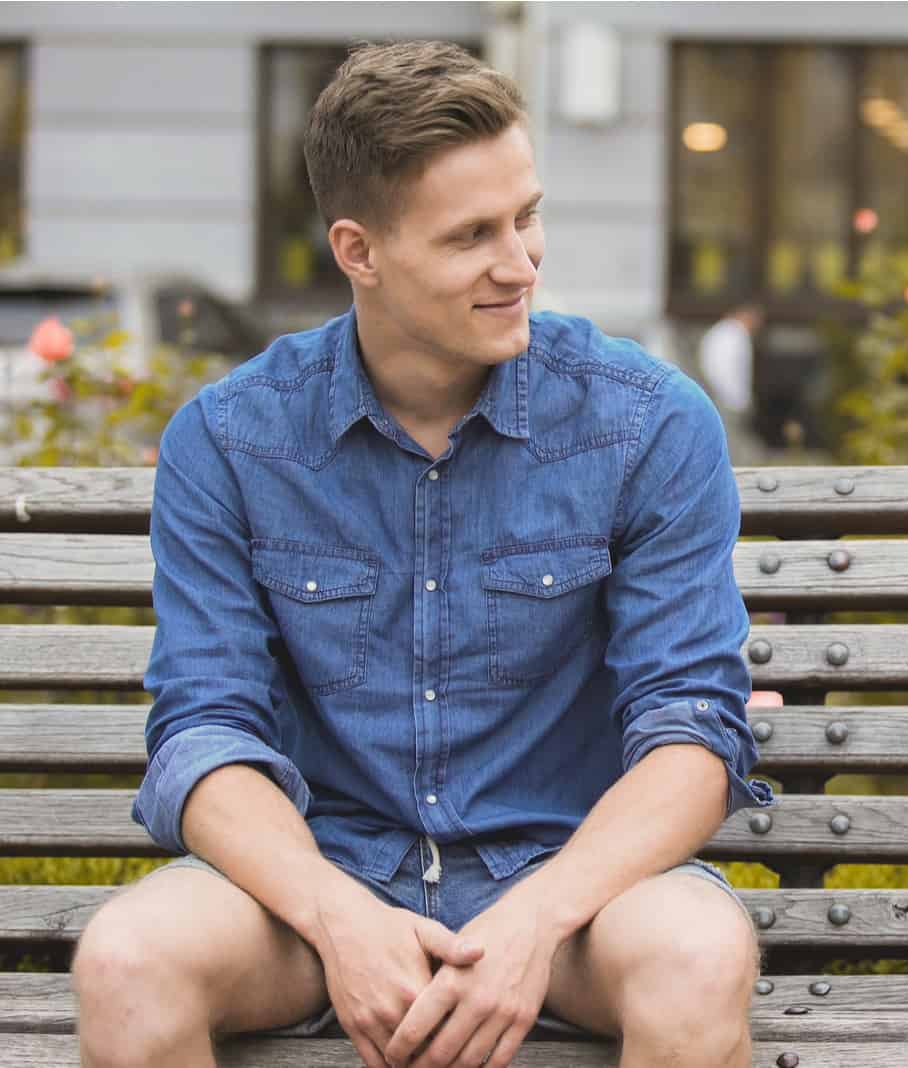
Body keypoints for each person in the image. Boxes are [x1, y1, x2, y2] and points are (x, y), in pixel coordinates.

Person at [71, 41, 770, 1068]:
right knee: (127, 964)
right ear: (359, 250)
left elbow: (693, 732)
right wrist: (336, 915)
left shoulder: (646, 424)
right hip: (318, 889)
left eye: (526, 217)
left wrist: (534, 919)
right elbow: (203, 733)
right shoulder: (231, 439)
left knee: (699, 959)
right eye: (471, 236)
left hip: (574, 893)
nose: (519, 263)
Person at [695, 302, 765, 464]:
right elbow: (723, 370)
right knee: (731, 447)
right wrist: (735, 399)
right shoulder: (733, 334)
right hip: (728, 401)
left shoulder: (723, 332)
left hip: (724, 399)